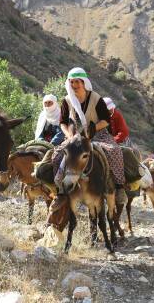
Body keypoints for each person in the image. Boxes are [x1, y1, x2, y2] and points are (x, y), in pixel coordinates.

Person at [51, 67, 126, 209]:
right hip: (74, 135)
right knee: (56, 155)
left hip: (98, 134)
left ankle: (119, 186)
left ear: (84, 82)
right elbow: (62, 123)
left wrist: (92, 130)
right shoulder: (67, 101)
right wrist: (69, 136)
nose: (74, 85)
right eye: (71, 82)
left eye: (77, 82)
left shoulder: (96, 98)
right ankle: (59, 192)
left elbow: (105, 120)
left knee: (114, 150)